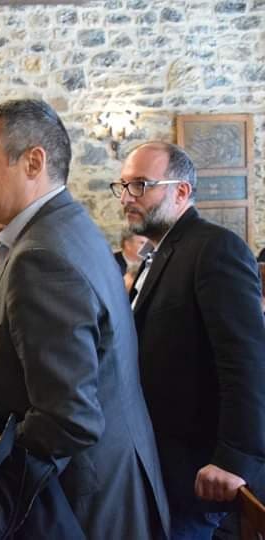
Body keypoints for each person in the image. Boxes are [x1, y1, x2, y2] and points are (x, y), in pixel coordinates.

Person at [0, 99, 170, 538]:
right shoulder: (64, 228)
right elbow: (26, 336)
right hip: (104, 489)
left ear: (33, 162)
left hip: (77, 507)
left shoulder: (41, 255)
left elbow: (69, 418)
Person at [116, 141, 265, 539]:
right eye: (123, 186)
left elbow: (246, 362)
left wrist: (235, 459)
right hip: (162, 461)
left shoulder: (214, 248)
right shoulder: (159, 253)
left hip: (199, 470)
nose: (127, 197)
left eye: (140, 185)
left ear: (181, 191)